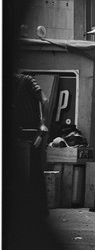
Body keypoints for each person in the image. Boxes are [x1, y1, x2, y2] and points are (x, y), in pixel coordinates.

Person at [12, 73, 50, 218]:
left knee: (34, 170)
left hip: (33, 135)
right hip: (17, 135)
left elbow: (44, 100)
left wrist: (42, 124)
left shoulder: (26, 81)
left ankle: (39, 210)